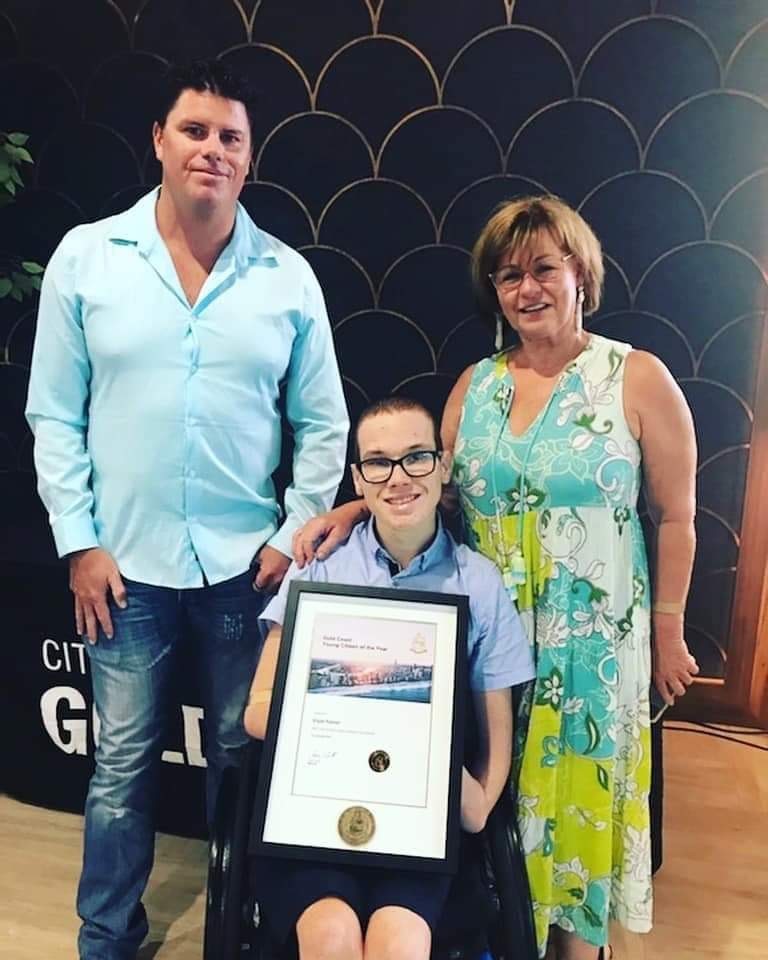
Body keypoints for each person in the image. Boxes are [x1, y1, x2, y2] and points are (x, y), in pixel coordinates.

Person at [290, 196, 700, 959]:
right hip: (489, 649)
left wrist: (670, 626)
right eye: (509, 275)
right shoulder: (475, 387)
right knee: (500, 812)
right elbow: (422, 484)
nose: (527, 288)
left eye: (544, 268)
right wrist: (350, 511)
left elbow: (676, 516)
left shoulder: (636, 378)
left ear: (580, 272)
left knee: (577, 816)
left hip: (593, 656)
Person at [25, 60, 348, 960]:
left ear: (249, 160)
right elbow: (53, 414)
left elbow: (322, 425)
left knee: (242, 773)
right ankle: (107, 938)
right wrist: (78, 542)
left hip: (246, 573)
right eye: (196, 131)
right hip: (121, 573)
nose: (212, 149)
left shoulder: (286, 277)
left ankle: (235, 934)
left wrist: (292, 535)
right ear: (160, 142)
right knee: (120, 774)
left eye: (230, 138)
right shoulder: (88, 258)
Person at [244, 396, 535, 960]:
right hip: (315, 815)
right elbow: (257, 708)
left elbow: (484, 780)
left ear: (443, 466)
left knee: (399, 944)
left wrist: (436, 765)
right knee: (330, 940)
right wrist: (355, 716)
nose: (398, 477)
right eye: (378, 462)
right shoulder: (321, 567)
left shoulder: (478, 584)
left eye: (416, 458)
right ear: (359, 478)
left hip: (418, 824)